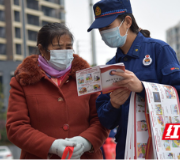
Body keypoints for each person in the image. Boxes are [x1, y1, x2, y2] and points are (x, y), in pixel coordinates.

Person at [87, 0, 180, 160]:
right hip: (128, 152)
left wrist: (144, 88)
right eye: (100, 30)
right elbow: (106, 122)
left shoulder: (159, 50)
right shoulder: (110, 68)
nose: (104, 33)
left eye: (108, 26)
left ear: (128, 22)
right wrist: (113, 104)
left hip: (166, 149)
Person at [6, 23, 109, 160]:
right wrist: (52, 146)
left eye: (68, 47)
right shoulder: (23, 81)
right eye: (58, 48)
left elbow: (100, 119)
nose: (65, 52)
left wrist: (85, 142)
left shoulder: (86, 76)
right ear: (42, 49)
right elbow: (16, 127)